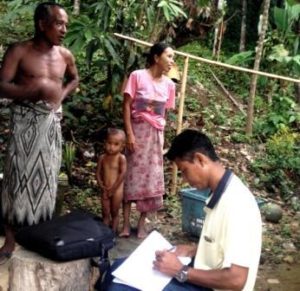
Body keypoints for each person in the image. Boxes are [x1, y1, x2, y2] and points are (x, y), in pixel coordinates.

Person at [103, 129, 262, 291]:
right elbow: (221, 247)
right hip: (203, 270)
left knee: (119, 287)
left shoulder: (237, 205)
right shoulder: (219, 192)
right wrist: (194, 250)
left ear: (200, 160)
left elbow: (236, 280)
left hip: (213, 286)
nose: (185, 179)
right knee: (116, 268)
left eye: (184, 171)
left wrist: (180, 270)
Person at [0, 2, 79, 263]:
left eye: (66, 24)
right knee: (16, 179)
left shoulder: (65, 55)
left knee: (46, 180)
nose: (64, 29)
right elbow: (2, 86)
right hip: (24, 123)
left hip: (50, 126)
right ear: (41, 24)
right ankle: (10, 239)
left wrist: (60, 98)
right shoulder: (19, 51)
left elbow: (74, 79)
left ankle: (38, 234)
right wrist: (33, 91)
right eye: (59, 23)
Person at [119, 42, 176, 239]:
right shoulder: (137, 76)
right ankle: (125, 224)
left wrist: (161, 142)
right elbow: (126, 106)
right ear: (156, 57)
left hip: (155, 138)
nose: (172, 61)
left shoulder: (169, 85)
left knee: (150, 180)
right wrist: (129, 134)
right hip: (137, 133)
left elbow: (163, 115)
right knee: (130, 178)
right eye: (169, 56)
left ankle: (141, 224)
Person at [96, 128, 127, 233]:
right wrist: (102, 186)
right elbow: (98, 173)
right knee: (105, 212)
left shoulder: (121, 158)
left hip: (117, 190)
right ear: (105, 143)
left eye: (116, 144)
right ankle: (105, 234)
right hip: (105, 188)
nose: (111, 147)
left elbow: (122, 174)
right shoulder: (102, 158)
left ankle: (113, 233)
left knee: (114, 212)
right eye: (109, 143)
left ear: (122, 147)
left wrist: (113, 189)